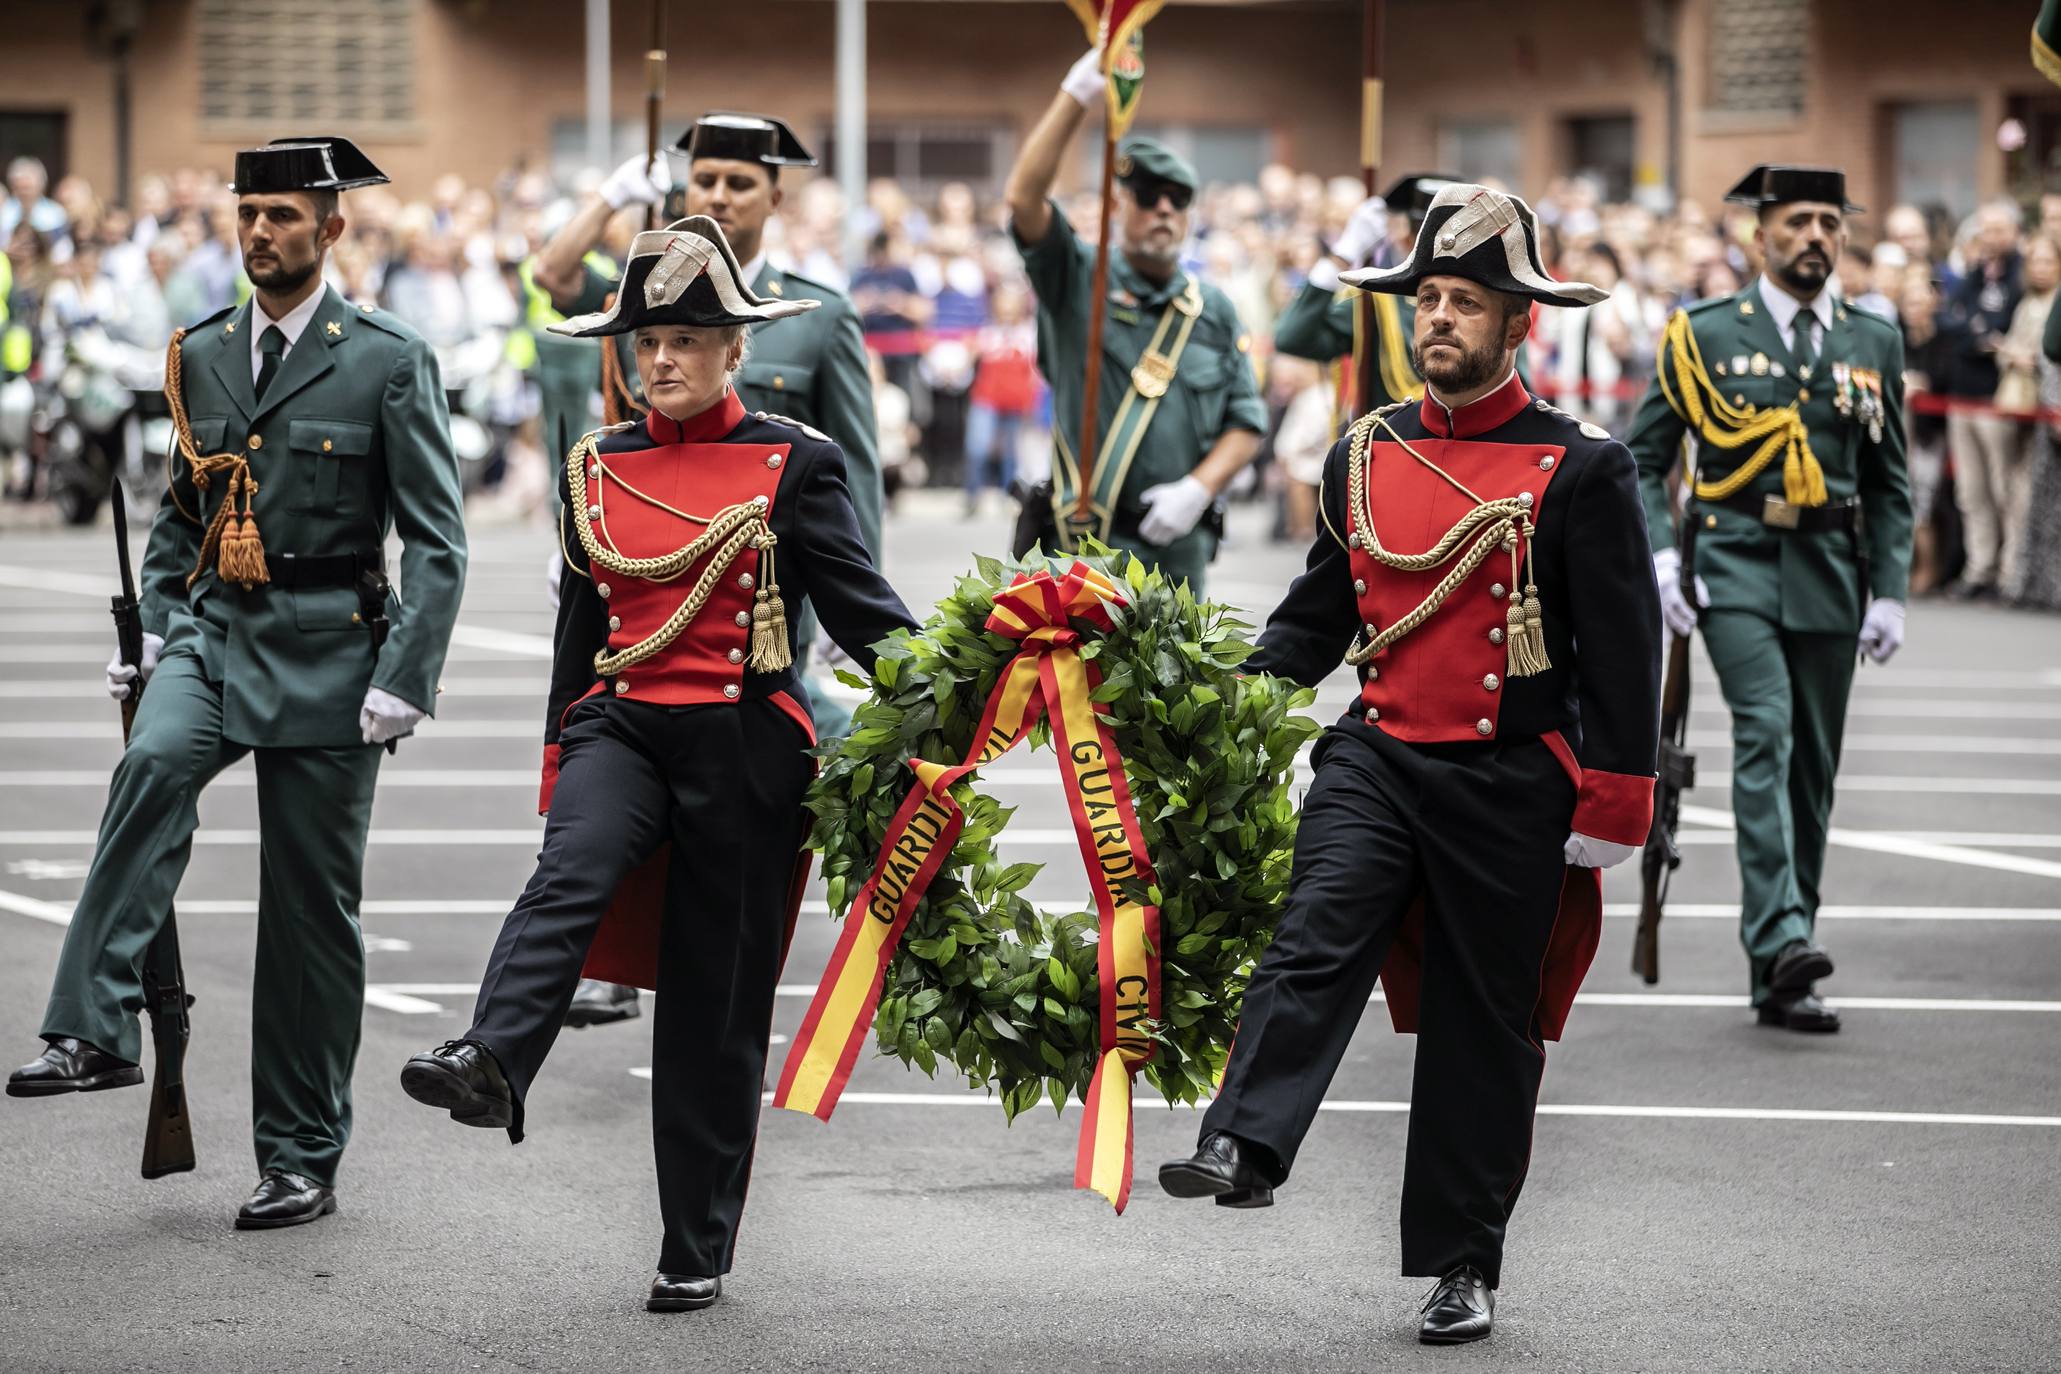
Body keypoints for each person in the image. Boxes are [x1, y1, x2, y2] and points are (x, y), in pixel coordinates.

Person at [1157, 182, 1659, 1346]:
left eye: (1465, 302)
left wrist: (1616, 799)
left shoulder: (1582, 467)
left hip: (1509, 778)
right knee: (1316, 924)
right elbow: (1315, 617)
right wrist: (1220, 698)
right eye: (1427, 297)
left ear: (1517, 323)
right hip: (1379, 753)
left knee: (1486, 1030)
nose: (1438, 317)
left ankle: (1461, 1263)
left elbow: (1625, 653)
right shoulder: (1364, 450)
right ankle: (1245, 1141)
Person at [399, 218, 917, 1313]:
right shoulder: (599, 465)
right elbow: (577, 634)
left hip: (743, 740)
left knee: (710, 1008)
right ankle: (492, 1056)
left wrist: (968, 678)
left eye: (686, 338)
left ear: (736, 350)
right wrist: (555, 763)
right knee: (570, 869)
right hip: (622, 722)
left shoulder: (797, 461)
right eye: (645, 342)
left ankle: (695, 1246)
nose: (662, 360)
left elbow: (872, 621)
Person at [5, 137, 468, 1230]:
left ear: (332, 230)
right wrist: (159, 626)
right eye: (248, 213)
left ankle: (301, 1155)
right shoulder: (204, 350)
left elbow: (439, 543)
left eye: (283, 216)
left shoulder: (388, 359)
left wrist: (407, 676)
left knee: (310, 917)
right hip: (216, 632)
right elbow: (182, 510)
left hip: (333, 645)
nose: (260, 233)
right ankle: (97, 1028)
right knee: (153, 760)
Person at [531, 112, 884, 1030]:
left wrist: (852, 616)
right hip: (635, 580)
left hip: (764, 608)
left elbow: (853, 479)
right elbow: (553, 278)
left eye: (738, 184)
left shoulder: (819, 315)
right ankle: (619, 954)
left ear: (774, 195)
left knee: (760, 801)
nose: (718, 197)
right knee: (620, 786)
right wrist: (612, 193)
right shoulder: (643, 281)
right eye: (704, 182)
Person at [1626, 165, 1913, 1034]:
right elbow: (1643, 459)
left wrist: (1891, 591)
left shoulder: (1872, 340)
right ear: (1759, 237)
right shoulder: (1704, 333)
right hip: (1736, 563)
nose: (1815, 236)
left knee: (1811, 774)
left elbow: (1890, 481)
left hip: (1831, 563)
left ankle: (1780, 972)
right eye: (1796, 222)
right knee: (1766, 732)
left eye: (1829, 220)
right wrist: (1666, 561)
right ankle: (1783, 931)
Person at [1003, 49, 1266, 592]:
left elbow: (1247, 420)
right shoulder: (1077, 277)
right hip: (1081, 547)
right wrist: (1075, 97)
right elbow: (1025, 199)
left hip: (1176, 549)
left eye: (1179, 199)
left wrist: (1198, 488)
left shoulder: (1210, 307)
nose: (1164, 210)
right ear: (1118, 204)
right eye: (1148, 197)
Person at [1273, 174, 1456, 414]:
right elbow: (1293, 337)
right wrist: (1343, 255)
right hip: (1391, 443)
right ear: (1406, 239)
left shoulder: (1491, 302)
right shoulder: (1379, 302)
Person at [1938, 199, 2025, 599]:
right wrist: (1979, 334)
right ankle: (1979, 567)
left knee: (2004, 488)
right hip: (1962, 396)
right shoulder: (1974, 273)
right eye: (1984, 229)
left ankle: (2011, 572)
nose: (1989, 237)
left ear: (2013, 232)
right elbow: (1949, 319)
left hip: (1997, 399)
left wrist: (1979, 331)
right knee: (1970, 491)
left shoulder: (2020, 276)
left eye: (1997, 229)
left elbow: (2004, 328)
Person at [1986, 231, 2058, 598]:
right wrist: (2010, 353)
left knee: (2034, 497)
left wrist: (2030, 360)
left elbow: (2049, 353)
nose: (2041, 268)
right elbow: (2008, 347)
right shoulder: (2027, 302)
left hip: (2045, 408)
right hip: (2016, 403)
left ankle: (2028, 577)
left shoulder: (2053, 304)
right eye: (2036, 261)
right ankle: (2016, 573)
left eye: (2049, 261)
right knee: (2008, 491)